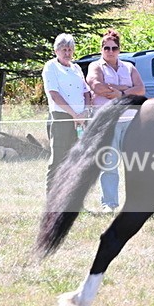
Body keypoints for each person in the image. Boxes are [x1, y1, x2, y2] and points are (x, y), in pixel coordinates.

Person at [86, 29, 145, 213]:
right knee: (109, 164)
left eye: (114, 48)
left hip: (131, 121)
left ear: (119, 49)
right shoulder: (96, 67)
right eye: (106, 48)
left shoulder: (129, 67)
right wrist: (128, 90)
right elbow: (96, 86)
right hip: (108, 123)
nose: (110, 51)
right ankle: (109, 204)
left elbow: (141, 89)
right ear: (101, 49)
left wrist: (119, 92)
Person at [42, 33, 91, 195]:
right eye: (64, 50)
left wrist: (84, 112)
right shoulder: (51, 67)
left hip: (81, 119)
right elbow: (54, 94)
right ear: (56, 50)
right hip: (62, 117)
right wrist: (73, 114)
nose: (67, 53)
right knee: (58, 158)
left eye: (70, 50)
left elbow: (86, 91)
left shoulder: (76, 68)